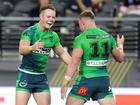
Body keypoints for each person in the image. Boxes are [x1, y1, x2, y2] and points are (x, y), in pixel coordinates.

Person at [61, 10, 124, 105]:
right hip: (103, 82)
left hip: (86, 82)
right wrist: (120, 45)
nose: (80, 28)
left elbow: (74, 63)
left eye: (80, 25)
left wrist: (65, 83)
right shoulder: (108, 36)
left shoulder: (80, 39)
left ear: (83, 23)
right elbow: (120, 59)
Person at [15, 4, 71, 105]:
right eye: (48, 17)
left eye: (53, 17)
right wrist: (32, 48)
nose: (51, 19)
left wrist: (76, 65)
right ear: (41, 16)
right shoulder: (29, 32)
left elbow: (62, 53)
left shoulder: (53, 36)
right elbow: (21, 50)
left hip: (41, 78)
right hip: (25, 76)